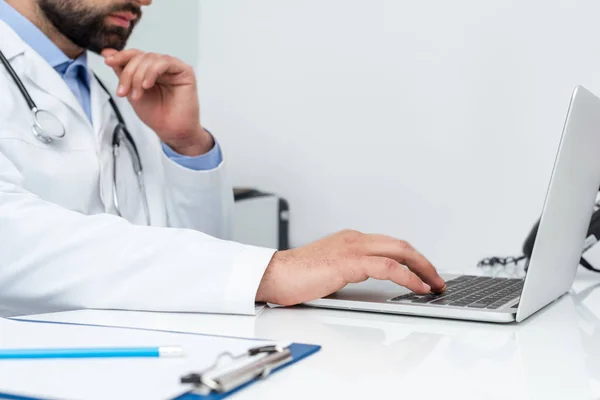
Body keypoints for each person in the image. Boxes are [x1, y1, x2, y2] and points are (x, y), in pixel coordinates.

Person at [0, 0, 446, 316]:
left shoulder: (111, 94)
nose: (146, 2)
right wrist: (270, 270)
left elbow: (195, 263)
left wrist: (187, 145)